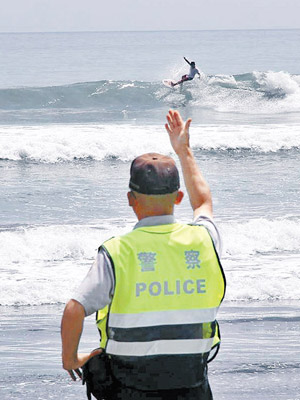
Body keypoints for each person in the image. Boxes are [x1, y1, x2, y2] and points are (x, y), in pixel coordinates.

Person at [61, 109, 226, 400]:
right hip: (192, 382)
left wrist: (70, 359)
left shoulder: (116, 251)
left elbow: (75, 308)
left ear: (130, 200)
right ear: (177, 198)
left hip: (130, 385)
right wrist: (183, 149)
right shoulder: (205, 239)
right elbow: (203, 201)